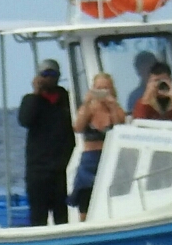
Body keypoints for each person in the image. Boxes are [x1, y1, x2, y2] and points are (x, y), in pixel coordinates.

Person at [17, 59, 75, 225]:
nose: (49, 78)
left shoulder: (66, 99)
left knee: (62, 215)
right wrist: (36, 92)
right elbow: (25, 120)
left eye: (53, 74)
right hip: (38, 169)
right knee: (38, 215)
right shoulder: (31, 100)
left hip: (61, 167)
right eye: (45, 74)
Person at [70, 72, 127, 219]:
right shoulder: (88, 109)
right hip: (90, 159)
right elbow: (78, 127)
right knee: (85, 201)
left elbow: (119, 127)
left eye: (105, 88)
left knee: (112, 199)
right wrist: (87, 103)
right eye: (98, 88)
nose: (101, 92)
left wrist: (112, 105)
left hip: (109, 158)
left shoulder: (116, 109)